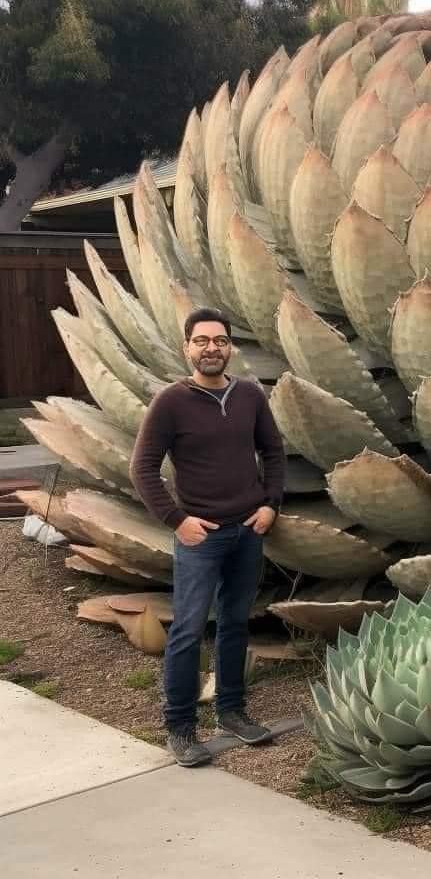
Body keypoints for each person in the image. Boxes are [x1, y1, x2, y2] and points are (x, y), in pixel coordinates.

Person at [129, 307, 285, 767]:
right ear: (187, 348)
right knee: (188, 629)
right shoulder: (170, 402)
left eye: (219, 341)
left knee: (236, 622)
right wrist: (177, 520)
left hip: (247, 531)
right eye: (202, 341)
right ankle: (180, 728)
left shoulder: (251, 396)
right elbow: (143, 468)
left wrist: (270, 504)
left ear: (230, 347)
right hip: (200, 536)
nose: (211, 348)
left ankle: (231, 711)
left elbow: (273, 452)